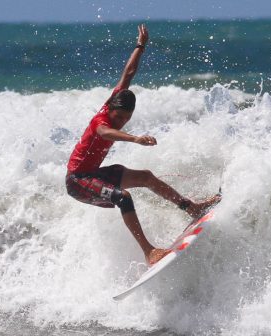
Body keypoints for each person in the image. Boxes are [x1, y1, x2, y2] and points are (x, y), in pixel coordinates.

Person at [65, 24, 220, 265]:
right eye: (119, 117)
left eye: (127, 118)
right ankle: (149, 252)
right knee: (124, 197)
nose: (122, 121)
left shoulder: (115, 100)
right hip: (77, 181)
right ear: (112, 109)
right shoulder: (101, 120)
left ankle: (191, 208)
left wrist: (141, 45)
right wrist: (134, 138)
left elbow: (128, 73)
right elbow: (106, 133)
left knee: (146, 177)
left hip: (92, 173)